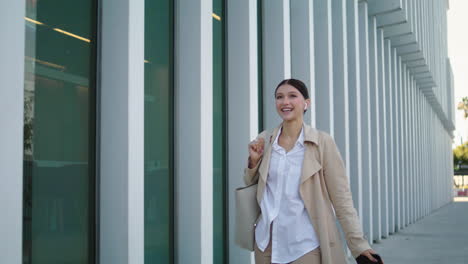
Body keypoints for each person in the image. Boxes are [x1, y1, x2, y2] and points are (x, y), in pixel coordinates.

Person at [244, 79, 383, 264]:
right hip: (266, 244)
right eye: (279, 97)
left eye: (292, 96)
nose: (285, 102)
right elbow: (251, 186)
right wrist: (253, 162)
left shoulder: (322, 143)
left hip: (304, 245)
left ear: (306, 103)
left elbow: (342, 199)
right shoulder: (265, 140)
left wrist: (359, 245)